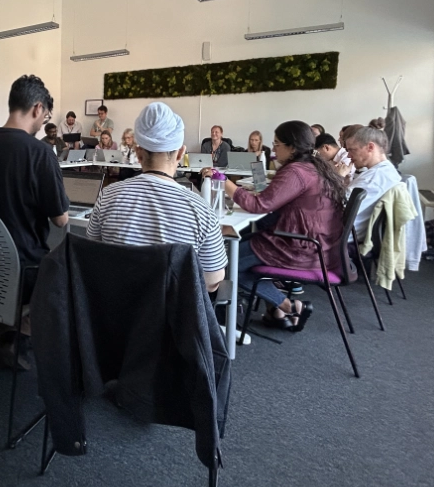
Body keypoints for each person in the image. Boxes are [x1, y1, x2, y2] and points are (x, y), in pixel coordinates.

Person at [0, 75, 70, 361]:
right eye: (46, 115)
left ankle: (8, 326)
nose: (43, 121)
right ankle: (23, 333)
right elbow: (60, 219)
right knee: (72, 267)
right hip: (22, 270)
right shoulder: (39, 153)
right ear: (37, 108)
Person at [202, 121, 346, 331]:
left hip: (298, 247)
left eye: (277, 144)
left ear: (292, 147)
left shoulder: (296, 172)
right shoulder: (314, 167)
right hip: (315, 245)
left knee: (224, 265)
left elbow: (259, 205)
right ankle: (280, 308)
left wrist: (223, 181)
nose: (274, 148)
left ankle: (285, 306)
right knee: (240, 249)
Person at [87, 102, 226, 292]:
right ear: (180, 153)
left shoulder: (108, 196)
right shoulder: (201, 209)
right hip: (173, 318)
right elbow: (212, 281)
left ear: (138, 153)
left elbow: (94, 250)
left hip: (114, 315)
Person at [344, 125, 402, 241]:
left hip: (342, 238)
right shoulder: (386, 171)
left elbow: (337, 208)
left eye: (352, 150)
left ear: (370, 147)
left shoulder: (373, 179)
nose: (349, 156)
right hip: (350, 234)